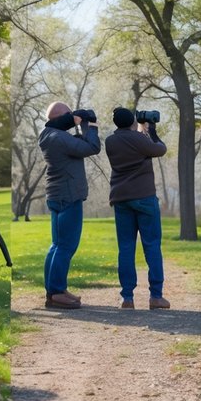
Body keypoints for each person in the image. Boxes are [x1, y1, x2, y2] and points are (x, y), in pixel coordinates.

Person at [104, 107, 170, 310]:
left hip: (121, 199)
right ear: (132, 121)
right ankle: (156, 297)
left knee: (125, 248)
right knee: (151, 245)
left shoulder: (110, 141)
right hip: (144, 197)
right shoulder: (139, 139)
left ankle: (127, 298)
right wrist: (151, 130)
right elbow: (160, 149)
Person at [38, 102, 100, 309]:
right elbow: (92, 147)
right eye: (68, 115)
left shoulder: (48, 135)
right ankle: (56, 293)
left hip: (56, 195)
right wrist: (92, 126)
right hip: (68, 196)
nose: (72, 117)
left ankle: (54, 290)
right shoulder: (59, 138)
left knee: (56, 245)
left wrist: (81, 125)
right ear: (59, 117)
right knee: (66, 246)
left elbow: (79, 144)